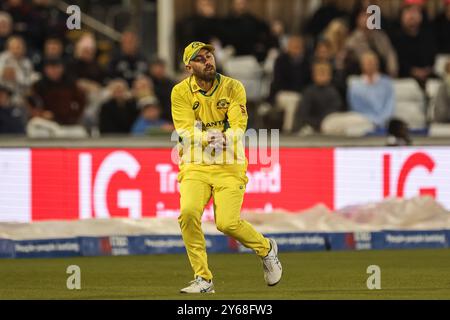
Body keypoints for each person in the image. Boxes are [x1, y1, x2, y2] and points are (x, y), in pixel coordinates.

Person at [172, 41, 282, 293]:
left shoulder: (233, 87)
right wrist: (206, 138)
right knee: (188, 213)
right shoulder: (180, 92)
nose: (207, 61)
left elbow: (238, 125)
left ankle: (266, 249)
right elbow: (185, 130)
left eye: (209, 55)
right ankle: (203, 279)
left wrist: (226, 138)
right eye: (199, 59)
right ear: (189, 67)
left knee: (227, 223)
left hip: (229, 164)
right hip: (195, 163)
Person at [391, 3, 437, 86]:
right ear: (401, 16)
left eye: (415, 12)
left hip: (428, 77)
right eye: (408, 12)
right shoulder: (394, 38)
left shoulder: (428, 36)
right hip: (404, 79)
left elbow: (432, 59)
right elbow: (396, 63)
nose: (412, 16)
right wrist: (413, 71)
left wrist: (426, 70)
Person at [348, 51, 395, 129]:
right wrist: (370, 121)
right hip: (363, 122)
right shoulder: (355, 86)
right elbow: (355, 108)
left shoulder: (387, 83)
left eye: (372, 62)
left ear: (377, 64)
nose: (370, 65)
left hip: (385, 122)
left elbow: (390, 104)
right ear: (362, 66)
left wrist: (381, 120)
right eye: (367, 63)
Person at [293, 61, 343, 133]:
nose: (322, 76)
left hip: (330, 126)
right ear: (314, 75)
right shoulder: (308, 92)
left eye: (324, 73)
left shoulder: (334, 92)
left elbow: (335, 112)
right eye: (319, 73)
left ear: (330, 75)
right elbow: (302, 114)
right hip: (310, 127)